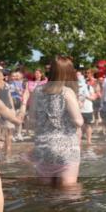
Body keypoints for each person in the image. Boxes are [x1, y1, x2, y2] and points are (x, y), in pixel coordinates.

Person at [28, 56, 83, 187]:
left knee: (45, 191)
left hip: (43, 147)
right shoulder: (67, 92)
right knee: (68, 191)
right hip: (66, 149)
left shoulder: (37, 90)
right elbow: (78, 121)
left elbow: (31, 119)